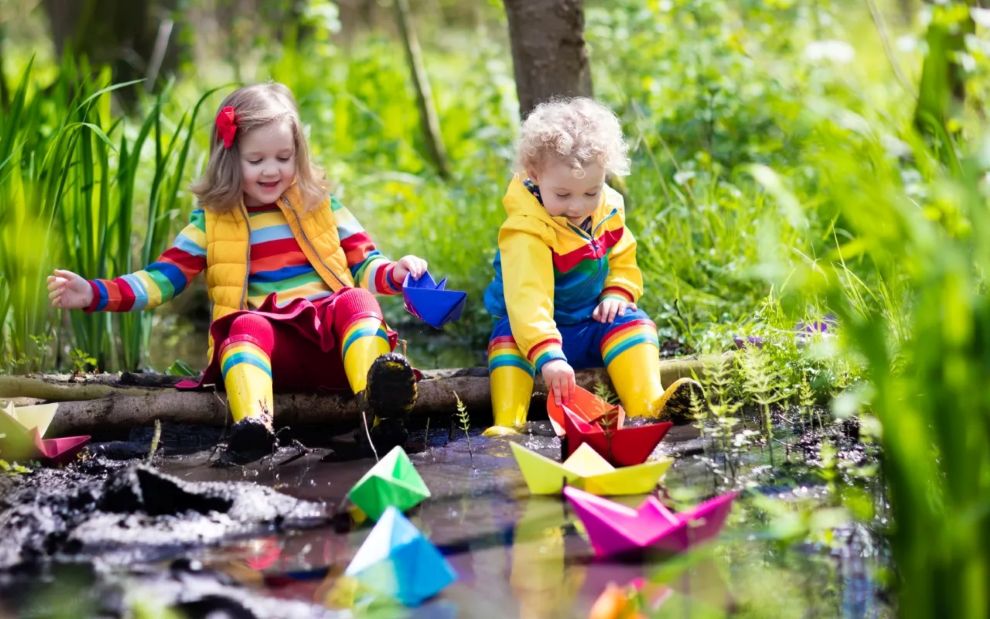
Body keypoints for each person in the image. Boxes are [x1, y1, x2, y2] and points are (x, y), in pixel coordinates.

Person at [47, 82, 427, 458]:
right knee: (242, 324)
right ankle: (255, 427)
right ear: (230, 158)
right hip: (271, 357)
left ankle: (380, 414)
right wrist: (94, 293)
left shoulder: (321, 206)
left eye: (283, 157)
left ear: (299, 154)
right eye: (256, 160)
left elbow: (365, 263)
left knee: (356, 299)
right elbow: (162, 279)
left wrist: (395, 272)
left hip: (335, 350)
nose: (271, 170)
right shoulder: (212, 223)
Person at [482, 97, 699, 436]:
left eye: (590, 192)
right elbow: (528, 298)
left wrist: (617, 292)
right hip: (534, 336)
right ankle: (510, 422)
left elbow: (623, 258)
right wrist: (548, 355)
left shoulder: (608, 208)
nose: (578, 206)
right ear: (534, 175)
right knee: (508, 336)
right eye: (563, 195)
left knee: (632, 320)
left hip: (588, 325)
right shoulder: (526, 230)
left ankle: (647, 405)